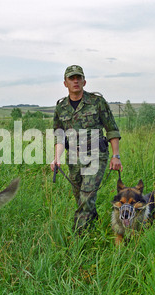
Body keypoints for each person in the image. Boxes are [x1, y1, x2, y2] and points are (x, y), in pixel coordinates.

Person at [50, 65, 122, 232]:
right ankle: (94, 226)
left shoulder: (97, 102)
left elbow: (112, 129)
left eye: (78, 78)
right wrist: (57, 157)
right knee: (81, 198)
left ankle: (78, 238)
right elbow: (59, 136)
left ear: (84, 81)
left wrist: (116, 156)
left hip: (96, 155)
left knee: (86, 196)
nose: (75, 81)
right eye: (71, 78)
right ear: (65, 83)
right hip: (73, 157)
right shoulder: (61, 107)